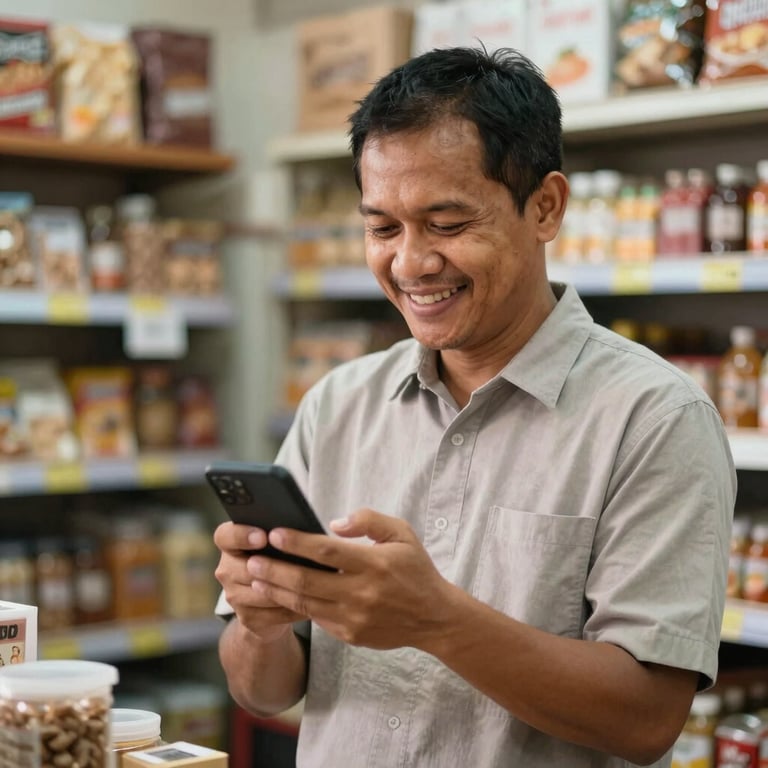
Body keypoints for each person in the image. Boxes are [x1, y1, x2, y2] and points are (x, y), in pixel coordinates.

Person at [214, 46, 735, 767]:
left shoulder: (654, 420)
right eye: (383, 228)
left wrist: (435, 620)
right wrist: (261, 623)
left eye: (448, 224)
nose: (410, 264)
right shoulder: (338, 404)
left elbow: (646, 719)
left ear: (545, 206)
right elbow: (261, 690)